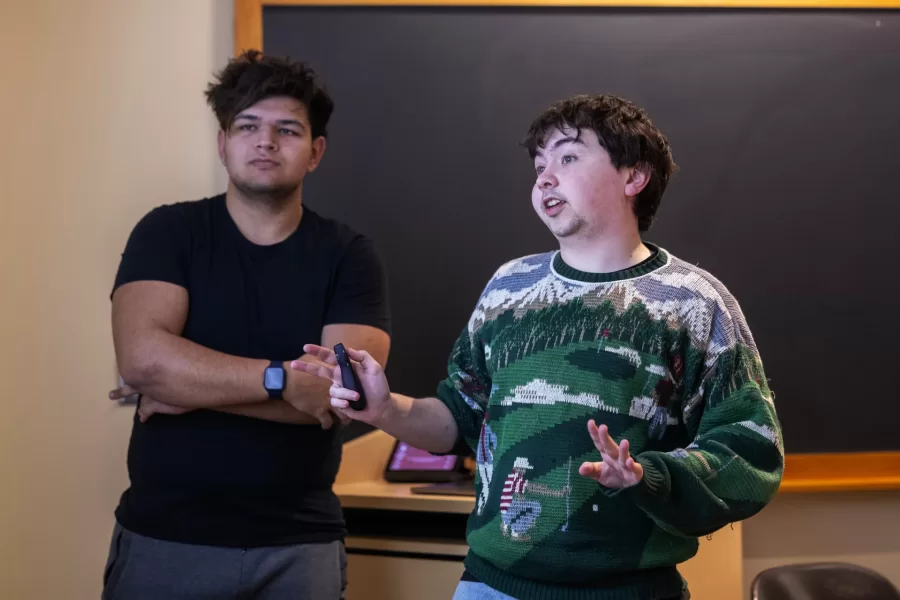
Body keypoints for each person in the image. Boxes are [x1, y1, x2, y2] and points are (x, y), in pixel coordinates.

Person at [295, 94, 783, 600]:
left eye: (568, 158)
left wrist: (649, 475)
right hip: (491, 586)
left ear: (633, 177)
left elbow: (750, 449)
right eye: (539, 165)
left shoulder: (693, 301)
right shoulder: (508, 288)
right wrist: (383, 408)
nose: (545, 178)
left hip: (630, 591)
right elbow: (460, 422)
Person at [102, 50, 391, 600]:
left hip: (299, 544)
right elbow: (141, 361)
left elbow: (340, 396)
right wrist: (282, 380)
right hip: (165, 536)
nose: (265, 141)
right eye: (248, 126)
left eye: (287, 129)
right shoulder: (168, 232)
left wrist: (187, 387)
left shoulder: (349, 255)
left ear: (315, 152)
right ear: (223, 143)